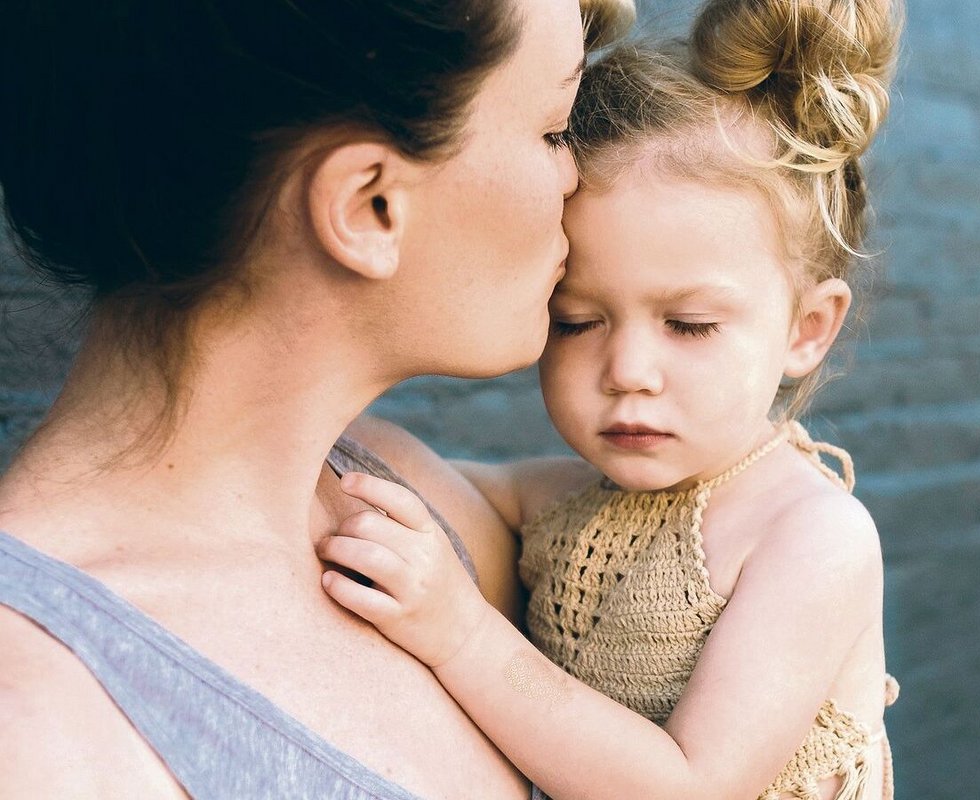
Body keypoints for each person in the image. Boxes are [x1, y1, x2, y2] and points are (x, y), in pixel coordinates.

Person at [0, 0, 632, 796]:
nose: (580, 179)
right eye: (554, 131)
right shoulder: (39, 723)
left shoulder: (409, 501)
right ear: (370, 205)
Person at [317, 1, 904, 798]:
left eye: (689, 326)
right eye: (578, 320)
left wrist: (460, 634)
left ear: (807, 328)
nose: (628, 369)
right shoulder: (566, 502)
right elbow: (413, 474)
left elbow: (688, 788)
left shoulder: (809, 538)